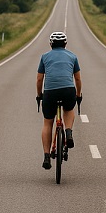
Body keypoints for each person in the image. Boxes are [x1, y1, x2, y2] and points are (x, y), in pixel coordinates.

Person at [36, 31, 82, 170]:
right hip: (68, 90)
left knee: (47, 122)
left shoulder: (44, 57)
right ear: (65, 44)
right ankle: (68, 132)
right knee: (68, 109)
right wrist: (78, 95)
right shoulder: (72, 56)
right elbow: (77, 78)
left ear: (51, 44)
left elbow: (39, 79)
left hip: (50, 92)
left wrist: (39, 95)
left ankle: (46, 156)